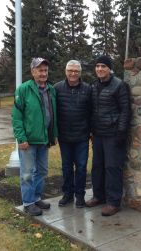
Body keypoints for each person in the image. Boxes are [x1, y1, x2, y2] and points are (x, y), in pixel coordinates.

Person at [12, 58, 58, 216]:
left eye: (45, 70)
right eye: (40, 70)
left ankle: (36, 197)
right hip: (28, 141)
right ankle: (28, 202)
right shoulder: (23, 89)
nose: (43, 73)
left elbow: (53, 115)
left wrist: (54, 135)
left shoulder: (51, 90)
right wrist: (21, 138)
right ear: (33, 72)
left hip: (44, 140)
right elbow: (17, 116)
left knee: (42, 171)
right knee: (27, 173)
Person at [86, 55, 131, 216]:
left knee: (112, 168)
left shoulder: (119, 85)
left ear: (109, 68)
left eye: (103, 66)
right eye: (97, 66)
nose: (99, 69)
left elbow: (125, 110)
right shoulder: (93, 86)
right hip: (98, 134)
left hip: (113, 134)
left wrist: (121, 132)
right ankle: (98, 196)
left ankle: (113, 202)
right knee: (97, 167)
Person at [54, 60, 92, 208]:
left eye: (76, 71)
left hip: (82, 136)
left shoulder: (88, 89)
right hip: (64, 137)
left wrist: (90, 131)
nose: (73, 73)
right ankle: (68, 194)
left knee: (81, 167)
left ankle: (80, 196)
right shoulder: (57, 88)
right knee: (66, 167)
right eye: (70, 70)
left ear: (80, 73)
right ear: (66, 71)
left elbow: (92, 112)